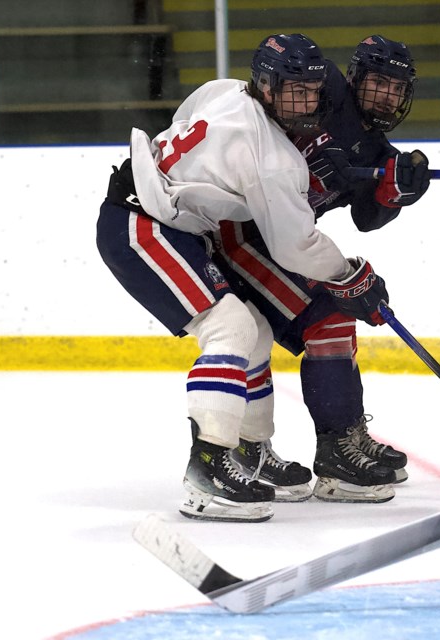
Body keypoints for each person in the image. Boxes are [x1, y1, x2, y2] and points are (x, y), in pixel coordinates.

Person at [96, 33, 392, 522]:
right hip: (140, 226)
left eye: (314, 90)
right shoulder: (272, 157)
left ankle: (248, 453)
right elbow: (294, 245)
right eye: (294, 90)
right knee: (229, 330)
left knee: (253, 334)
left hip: (171, 222)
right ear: (267, 87)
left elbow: (186, 119)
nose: (307, 101)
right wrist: (349, 274)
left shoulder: (227, 90)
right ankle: (208, 469)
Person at [212, 35, 430, 503]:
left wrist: (397, 190)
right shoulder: (322, 89)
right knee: (330, 312)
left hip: (276, 244)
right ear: (353, 76)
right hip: (237, 230)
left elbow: (367, 219)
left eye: (397, 88)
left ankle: (343, 441)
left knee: (333, 317)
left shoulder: (379, 154)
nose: (387, 96)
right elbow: (272, 102)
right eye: (378, 83)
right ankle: (335, 450)